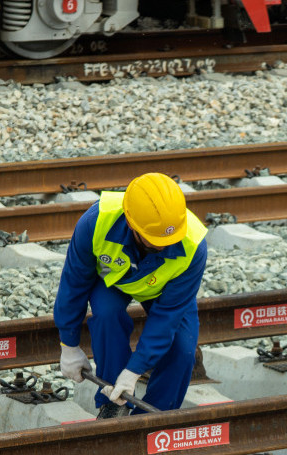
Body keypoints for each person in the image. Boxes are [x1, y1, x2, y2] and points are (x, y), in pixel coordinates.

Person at [54, 173, 207, 417]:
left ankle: (156, 417)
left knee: (182, 348)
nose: (163, 245)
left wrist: (135, 370)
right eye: (155, 239)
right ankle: (115, 402)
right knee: (106, 314)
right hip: (116, 279)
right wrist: (68, 344)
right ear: (131, 223)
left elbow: (167, 317)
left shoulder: (194, 246)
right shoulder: (95, 223)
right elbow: (74, 284)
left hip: (165, 290)